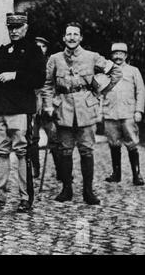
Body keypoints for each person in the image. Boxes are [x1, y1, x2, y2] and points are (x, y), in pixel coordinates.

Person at [42, 22, 122, 205]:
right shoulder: (55, 59)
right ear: (64, 38)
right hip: (63, 109)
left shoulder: (92, 57)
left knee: (87, 150)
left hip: (86, 109)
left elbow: (116, 72)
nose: (71, 37)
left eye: (75, 34)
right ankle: (66, 190)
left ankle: (88, 191)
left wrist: (101, 90)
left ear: (80, 38)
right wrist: (48, 105)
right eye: (68, 34)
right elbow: (47, 84)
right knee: (65, 150)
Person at [0, 12, 46, 213]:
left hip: (20, 109)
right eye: (11, 27)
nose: (14, 31)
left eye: (18, 27)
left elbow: (39, 79)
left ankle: (25, 197)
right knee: (1, 152)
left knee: (22, 153)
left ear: (26, 27)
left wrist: (15, 75)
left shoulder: (33, 50)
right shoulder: (1, 50)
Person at [103, 42, 145, 186]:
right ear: (112, 56)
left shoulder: (134, 71)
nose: (118, 56)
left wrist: (139, 110)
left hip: (128, 113)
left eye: (121, 54)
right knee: (113, 143)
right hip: (109, 112)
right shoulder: (106, 71)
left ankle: (137, 174)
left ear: (126, 56)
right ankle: (116, 173)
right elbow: (99, 91)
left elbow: (140, 91)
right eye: (115, 54)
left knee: (132, 143)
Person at [31, 37, 62, 181]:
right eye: (37, 46)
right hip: (32, 107)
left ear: (47, 49)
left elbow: (58, 85)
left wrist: (53, 104)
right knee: (32, 139)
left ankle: (61, 170)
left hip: (49, 108)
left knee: (55, 139)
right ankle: (34, 168)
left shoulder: (53, 63)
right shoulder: (28, 61)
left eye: (43, 46)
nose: (40, 49)